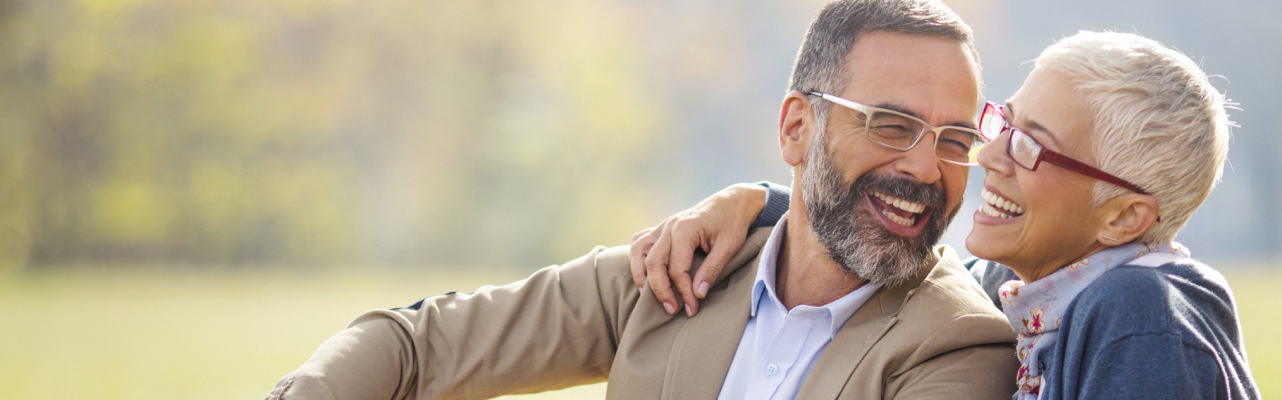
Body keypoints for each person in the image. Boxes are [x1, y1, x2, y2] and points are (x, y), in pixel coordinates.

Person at [264, 1, 1021, 399]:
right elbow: (417, 347)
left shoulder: (959, 346)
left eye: (955, 140)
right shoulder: (676, 270)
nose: (926, 168)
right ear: (797, 128)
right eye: (892, 126)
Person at [632, 32, 1261, 399]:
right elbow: (892, 257)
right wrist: (761, 202)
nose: (987, 155)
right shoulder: (1013, 291)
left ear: (1124, 218)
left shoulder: (1140, 316)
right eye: (1001, 123)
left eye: (1030, 145)